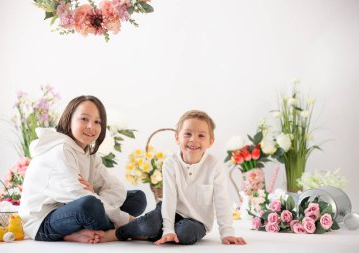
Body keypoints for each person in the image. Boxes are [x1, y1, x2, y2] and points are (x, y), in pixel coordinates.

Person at [19, 95, 147, 243]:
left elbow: (114, 186)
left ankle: (82, 231)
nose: (91, 127)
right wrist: (129, 221)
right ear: (69, 119)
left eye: (97, 122)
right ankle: (120, 232)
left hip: (72, 207)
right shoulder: (59, 150)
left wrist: (94, 195)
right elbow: (80, 196)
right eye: (84, 119)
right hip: (42, 221)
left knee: (137, 198)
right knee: (90, 206)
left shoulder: (88, 151)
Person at [116, 110, 247, 245]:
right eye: (188, 134)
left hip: (197, 221)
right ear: (177, 138)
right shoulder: (170, 163)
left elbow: (222, 201)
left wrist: (227, 233)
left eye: (201, 135)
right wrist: (168, 229)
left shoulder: (215, 166)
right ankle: (118, 232)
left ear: (210, 142)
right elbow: (169, 198)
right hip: (169, 211)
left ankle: (150, 234)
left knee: (184, 233)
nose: (193, 139)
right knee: (148, 225)